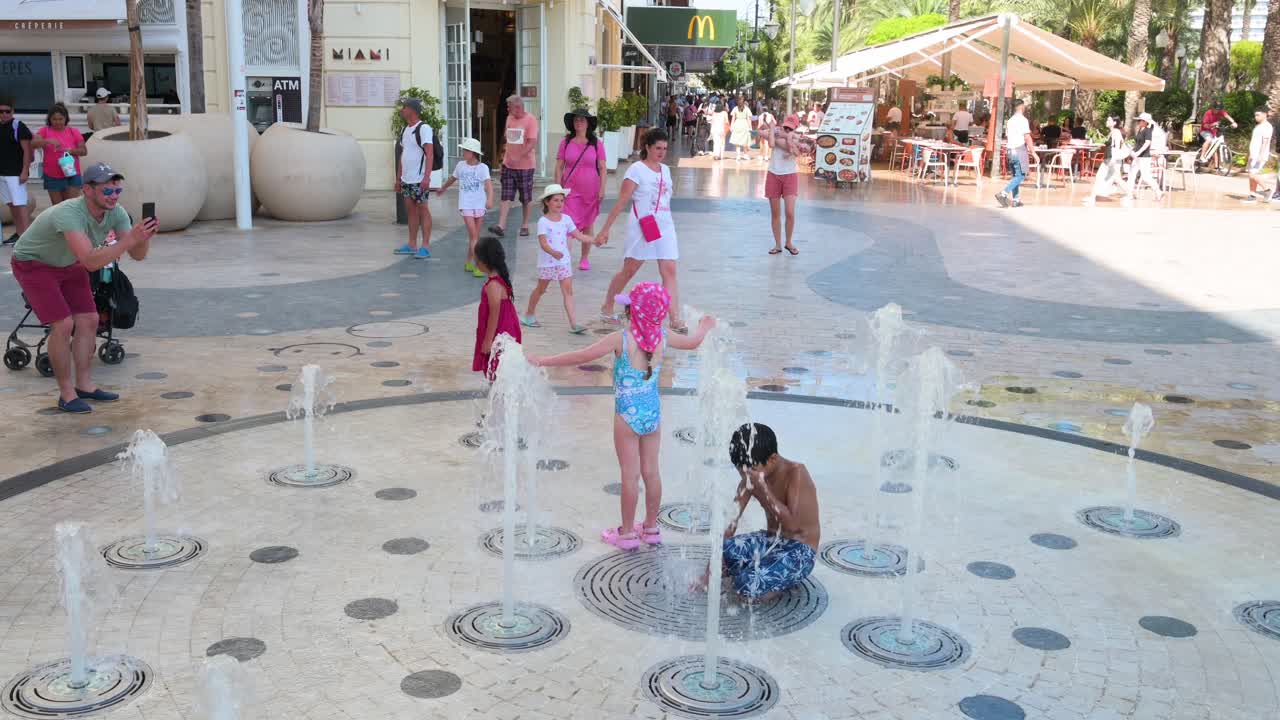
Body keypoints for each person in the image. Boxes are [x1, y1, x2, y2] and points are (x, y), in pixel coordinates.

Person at [527, 283, 715, 549]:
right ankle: (651, 529)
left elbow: (581, 355)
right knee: (652, 472)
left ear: (631, 311)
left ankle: (626, 534)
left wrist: (543, 360)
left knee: (630, 475)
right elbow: (693, 342)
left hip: (627, 414)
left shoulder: (621, 339)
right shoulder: (664, 336)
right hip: (652, 414)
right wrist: (705, 326)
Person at [10, 163, 157, 413]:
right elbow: (90, 261)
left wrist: (142, 239)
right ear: (87, 190)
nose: (114, 197)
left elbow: (138, 255)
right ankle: (66, 394)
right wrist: (129, 240)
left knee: (89, 319)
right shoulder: (69, 213)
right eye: (107, 191)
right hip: (34, 264)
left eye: (117, 191)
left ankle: (85, 385)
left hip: (69, 262)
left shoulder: (117, 212)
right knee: (63, 324)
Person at [698, 423, 821, 601]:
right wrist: (709, 574)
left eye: (751, 470)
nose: (746, 476)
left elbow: (793, 527)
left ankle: (782, 583)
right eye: (741, 472)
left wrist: (763, 489)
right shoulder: (752, 475)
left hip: (800, 550)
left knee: (746, 586)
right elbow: (731, 522)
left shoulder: (796, 474)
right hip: (771, 540)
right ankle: (769, 572)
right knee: (725, 552)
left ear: (772, 459)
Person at [596, 129, 686, 333]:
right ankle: (607, 307)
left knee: (669, 270)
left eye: (664, 148)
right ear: (647, 147)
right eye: (657, 148)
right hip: (642, 225)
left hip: (664, 225)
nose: (661, 152)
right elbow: (621, 201)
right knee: (630, 269)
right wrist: (605, 229)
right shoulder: (636, 170)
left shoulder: (666, 170)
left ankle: (674, 317)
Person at [521, 184, 591, 333]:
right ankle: (529, 314)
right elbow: (543, 243)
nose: (560, 203)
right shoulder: (543, 222)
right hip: (547, 264)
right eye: (556, 200)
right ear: (547, 202)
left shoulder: (566, 219)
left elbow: (579, 235)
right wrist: (553, 253)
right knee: (541, 289)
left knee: (568, 292)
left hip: (563, 263)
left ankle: (574, 324)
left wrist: (594, 240)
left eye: (561, 200)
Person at [555, 108, 606, 271]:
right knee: (567, 225)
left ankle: (584, 258)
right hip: (569, 191)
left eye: (582, 120)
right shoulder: (566, 142)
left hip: (591, 190)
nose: (579, 122)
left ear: (588, 123)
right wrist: (557, 188)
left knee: (588, 224)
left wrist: (602, 189)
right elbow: (559, 167)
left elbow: (603, 168)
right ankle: (565, 258)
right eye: (576, 120)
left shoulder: (597, 143)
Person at [436, 137, 493, 277]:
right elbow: (452, 179)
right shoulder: (461, 166)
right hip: (466, 204)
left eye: (465, 150)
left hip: (479, 204)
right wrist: (443, 188)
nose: (463, 152)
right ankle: (478, 265)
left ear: (473, 153)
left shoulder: (483, 168)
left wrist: (490, 199)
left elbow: (488, 186)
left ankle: (468, 261)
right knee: (474, 236)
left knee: (475, 237)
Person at [472, 236, 522, 381]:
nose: (476, 263)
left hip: (499, 331)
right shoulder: (498, 278)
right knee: (501, 370)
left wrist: (488, 341)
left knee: (497, 370)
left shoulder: (493, 284)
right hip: (504, 328)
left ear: (483, 261)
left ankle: (500, 400)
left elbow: (494, 313)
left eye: (476, 260)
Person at [491, 94, 539, 239]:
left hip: (525, 166)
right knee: (506, 196)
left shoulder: (530, 120)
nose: (507, 109)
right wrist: (504, 158)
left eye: (509, 106)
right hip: (508, 165)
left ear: (517, 107)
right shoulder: (509, 118)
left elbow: (531, 142)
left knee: (525, 198)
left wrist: (520, 155)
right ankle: (501, 225)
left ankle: (525, 225)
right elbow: (508, 139)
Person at [765, 114, 813, 257]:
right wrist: (774, 132)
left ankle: (789, 242)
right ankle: (778, 244)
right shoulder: (777, 132)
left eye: (790, 127)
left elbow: (800, 150)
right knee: (775, 213)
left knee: (790, 213)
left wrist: (789, 140)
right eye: (786, 126)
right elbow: (767, 138)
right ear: (783, 123)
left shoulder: (796, 138)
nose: (787, 128)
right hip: (773, 173)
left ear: (796, 127)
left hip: (790, 175)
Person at [393, 98, 434, 259]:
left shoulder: (424, 129)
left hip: (419, 179)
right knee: (410, 211)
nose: (402, 110)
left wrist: (426, 177)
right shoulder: (405, 130)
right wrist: (398, 179)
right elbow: (403, 155)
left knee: (423, 210)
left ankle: (425, 246)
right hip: (407, 179)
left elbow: (429, 153)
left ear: (413, 110)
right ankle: (411, 243)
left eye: (405, 107)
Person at [32, 104, 87, 206]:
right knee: (57, 208)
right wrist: (47, 140)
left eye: (60, 119)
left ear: (66, 118)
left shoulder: (73, 131)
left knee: (72, 206)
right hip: (52, 175)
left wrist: (71, 151)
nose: (57, 122)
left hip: (71, 173)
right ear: (50, 119)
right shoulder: (45, 130)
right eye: (54, 119)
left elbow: (84, 151)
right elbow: (33, 144)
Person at [0, 97, 34, 245]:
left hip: (15, 173)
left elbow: (27, 150)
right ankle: (19, 233)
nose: (4, 114)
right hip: (2, 173)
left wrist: (25, 171)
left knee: (20, 204)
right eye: (1, 111)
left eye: (7, 111)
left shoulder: (18, 126)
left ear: (12, 112)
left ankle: (26, 237)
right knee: (11, 204)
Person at [1082, 116, 1132, 205]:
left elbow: (1117, 146)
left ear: (1114, 123)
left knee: (1105, 177)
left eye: (1109, 120)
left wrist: (1114, 158)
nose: (1107, 121)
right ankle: (1092, 197)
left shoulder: (1116, 132)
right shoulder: (1112, 132)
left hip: (1112, 159)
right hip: (1110, 159)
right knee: (1114, 179)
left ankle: (1092, 198)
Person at [995, 99, 1032, 208]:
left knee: (1015, 176)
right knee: (1020, 176)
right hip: (1019, 150)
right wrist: (1033, 152)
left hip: (1010, 150)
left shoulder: (1010, 121)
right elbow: (1027, 137)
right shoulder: (1023, 120)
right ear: (1022, 107)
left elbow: (1007, 136)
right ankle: (1003, 193)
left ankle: (1016, 200)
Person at [1126, 112, 1164, 201]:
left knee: (1146, 176)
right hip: (1137, 156)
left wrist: (1138, 152)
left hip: (1144, 157)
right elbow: (1138, 143)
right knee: (1131, 174)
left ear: (1145, 121)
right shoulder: (1140, 129)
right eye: (1139, 120)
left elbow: (1147, 143)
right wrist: (1133, 151)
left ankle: (1158, 191)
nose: (1139, 122)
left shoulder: (1148, 131)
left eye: (1140, 120)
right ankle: (1130, 193)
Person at [1243, 107, 1274, 203]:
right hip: (1253, 155)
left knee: (1253, 174)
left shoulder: (1267, 126)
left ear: (1265, 114)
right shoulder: (1258, 126)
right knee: (1251, 174)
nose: (1256, 117)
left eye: (1258, 115)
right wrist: (1248, 154)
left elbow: (1265, 141)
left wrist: (1260, 155)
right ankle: (1252, 195)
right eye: (1255, 115)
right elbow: (1253, 141)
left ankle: (1267, 190)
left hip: (1259, 156)